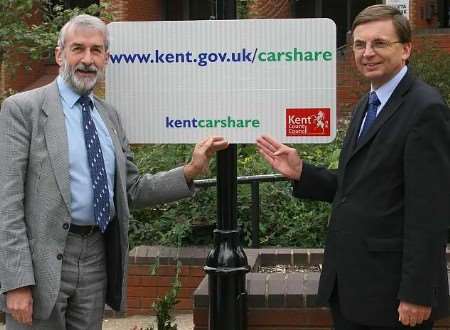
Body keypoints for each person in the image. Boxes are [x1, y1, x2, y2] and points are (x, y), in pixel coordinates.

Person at [0, 14, 228, 329]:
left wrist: (190, 170)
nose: (87, 59)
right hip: (42, 264)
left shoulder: (109, 118)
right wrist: (16, 280)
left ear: (106, 58)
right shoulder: (22, 110)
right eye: (77, 48)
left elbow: (131, 189)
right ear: (59, 54)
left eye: (96, 50)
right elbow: (6, 202)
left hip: (96, 256)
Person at [257, 4, 450, 330]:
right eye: (360, 44)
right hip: (351, 287)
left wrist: (417, 293)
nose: (367, 53)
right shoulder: (367, 103)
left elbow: (430, 212)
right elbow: (357, 187)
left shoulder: (425, 108)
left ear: (406, 49)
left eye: (379, 43)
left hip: (392, 295)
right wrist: (302, 171)